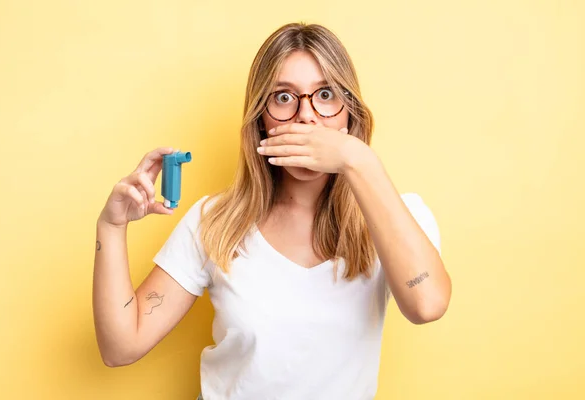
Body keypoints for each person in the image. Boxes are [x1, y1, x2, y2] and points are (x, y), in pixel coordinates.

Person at [93, 22, 451, 400]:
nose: (306, 116)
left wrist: (358, 161)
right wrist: (112, 227)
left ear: (350, 113)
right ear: (261, 121)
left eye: (325, 94)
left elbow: (426, 304)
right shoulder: (215, 221)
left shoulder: (398, 215)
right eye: (283, 98)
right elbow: (120, 347)